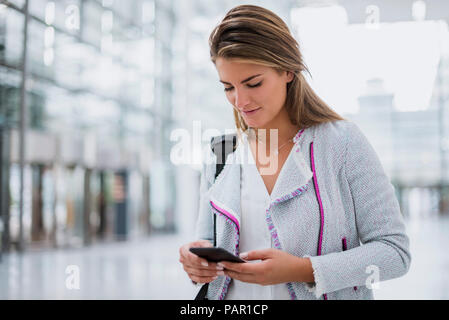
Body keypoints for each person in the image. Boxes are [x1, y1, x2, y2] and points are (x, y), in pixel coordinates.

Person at [178, 4, 411, 300]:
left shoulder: (343, 143)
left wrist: (303, 270)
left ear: (288, 70)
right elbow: (208, 241)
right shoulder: (222, 154)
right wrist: (194, 260)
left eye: (253, 83)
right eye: (228, 87)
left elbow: (394, 253)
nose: (239, 100)